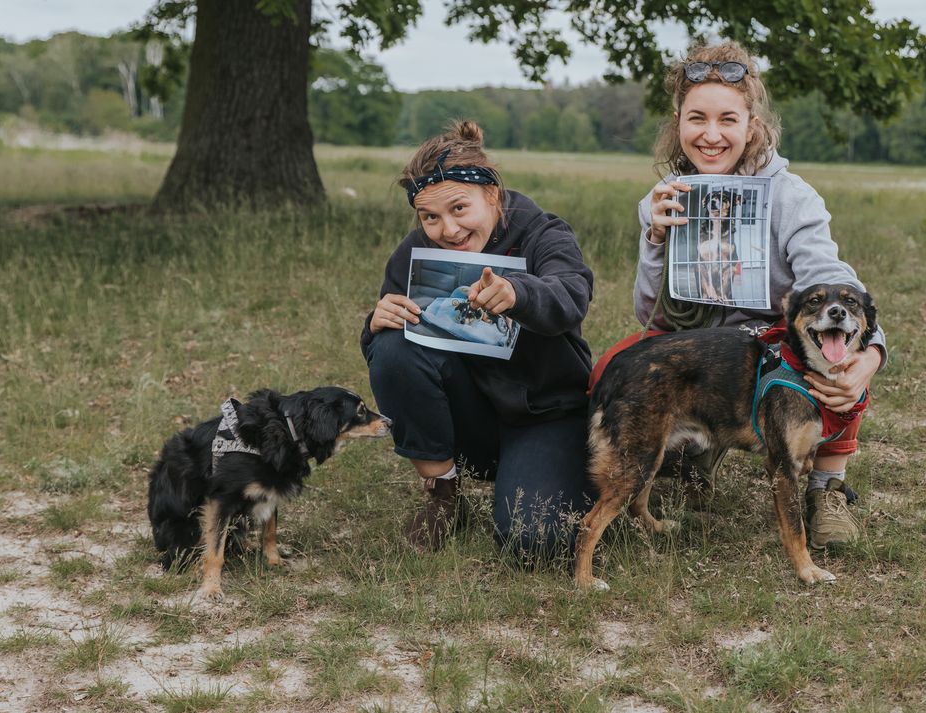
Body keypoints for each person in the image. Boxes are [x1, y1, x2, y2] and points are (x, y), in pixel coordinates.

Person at [632, 42, 888, 548]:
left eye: (728, 118)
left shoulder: (791, 195)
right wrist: (655, 241)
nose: (710, 135)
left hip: (769, 341)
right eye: (696, 118)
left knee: (834, 364)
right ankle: (689, 458)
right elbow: (650, 316)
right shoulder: (666, 198)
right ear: (677, 123)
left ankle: (826, 486)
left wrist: (871, 354)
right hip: (700, 341)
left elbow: (833, 279)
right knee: (616, 366)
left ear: (752, 124)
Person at [360, 120, 595, 559]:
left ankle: (552, 472)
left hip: (545, 412)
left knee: (534, 543)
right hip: (468, 415)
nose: (447, 229)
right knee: (392, 348)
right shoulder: (414, 252)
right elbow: (389, 360)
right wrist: (376, 323)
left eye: (458, 209)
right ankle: (443, 494)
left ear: (491, 194)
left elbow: (572, 294)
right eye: (430, 217)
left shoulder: (542, 232)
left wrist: (518, 292)